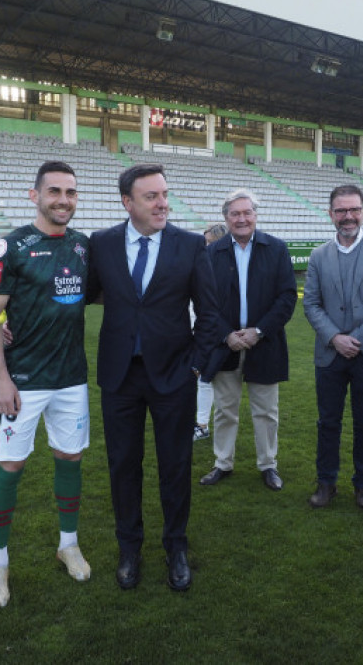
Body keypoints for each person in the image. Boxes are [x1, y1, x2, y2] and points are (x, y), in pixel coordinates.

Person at [87, 163, 218, 592]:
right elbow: (77, 297)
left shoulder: (190, 244)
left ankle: (175, 546)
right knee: (123, 464)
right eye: (152, 197)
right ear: (128, 202)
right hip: (119, 376)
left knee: (175, 465)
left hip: (174, 377)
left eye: (165, 194)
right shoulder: (102, 244)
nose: (163, 203)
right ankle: (130, 548)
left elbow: (211, 314)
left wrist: (194, 365)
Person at [0, 160, 92, 609]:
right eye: (55, 191)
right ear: (35, 195)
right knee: (10, 466)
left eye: (71, 192)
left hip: (71, 379)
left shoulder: (85, 247)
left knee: (70, 457)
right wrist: (1, 379)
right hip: (22, 381)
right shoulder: (11, 246)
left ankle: (68, 544)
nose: (63, 200)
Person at [303, 184, 363, 512]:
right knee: (327, 422)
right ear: (331, 214)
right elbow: (312, 304)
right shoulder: (318, 255)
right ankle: (326, 482)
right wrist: (335, 338)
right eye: (341, 210)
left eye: (354, 209)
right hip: (329, 355)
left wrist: (356, 339)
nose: (348, 216)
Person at [198, 190, 296, 490]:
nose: (242, 219)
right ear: (225, 217)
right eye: (235, 214)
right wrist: (227, 335)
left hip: (264, 344)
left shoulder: (276, 249)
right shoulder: (211, 253)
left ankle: (268, 464)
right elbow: (204, 302)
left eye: (247, 213)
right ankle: (222, 463)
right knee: (225, 410)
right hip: (224, 345)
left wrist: (258, 331)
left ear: (256, 214)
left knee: (266, 412)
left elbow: (286, 297)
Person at [192, 223, 227, 442]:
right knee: (201, 379)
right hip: (198, 330)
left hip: (217, 333)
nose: (206, 246)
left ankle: (203, 425)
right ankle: (200, 423)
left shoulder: (221, 269)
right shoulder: (202, 266)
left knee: (205, 379)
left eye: (210, 242)